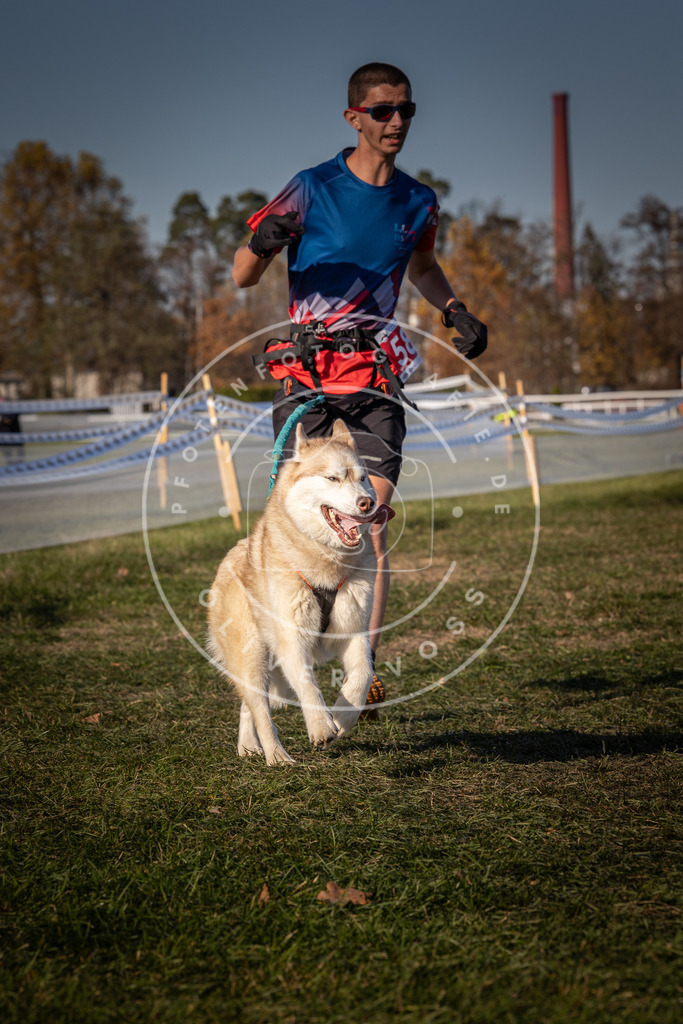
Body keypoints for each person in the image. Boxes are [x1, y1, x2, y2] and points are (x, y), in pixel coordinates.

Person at [232, 61, 487, 712]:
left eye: (405, 109)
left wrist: (452, 310)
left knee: (365, 523)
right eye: (381, 110)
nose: (396, 120)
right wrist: (263, 242)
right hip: (308, 378)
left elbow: (424, 266)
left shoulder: (418, 201)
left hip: (374, 377)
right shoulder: (310, 188)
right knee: (309, 528)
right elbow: (241, 273)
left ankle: (360, 663)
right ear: (354, 118)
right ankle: (291, 642)